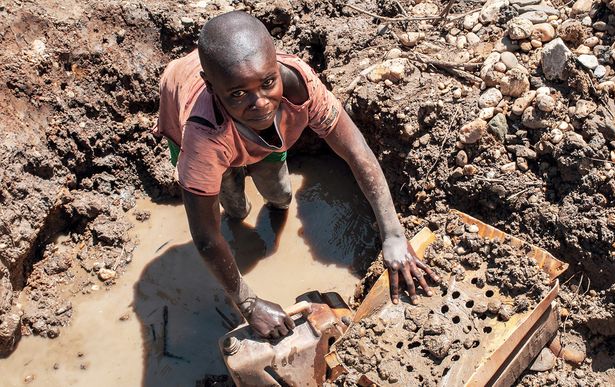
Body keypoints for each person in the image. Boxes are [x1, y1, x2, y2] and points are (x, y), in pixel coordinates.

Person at [155, 11, 439, 339]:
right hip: (198, 117)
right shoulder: (202, 138)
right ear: (212, 87)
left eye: (267, 82)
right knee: (233, 205)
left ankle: (269, 204)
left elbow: (355, 150)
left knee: (280, 194)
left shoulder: (298, 86)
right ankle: (239, 212)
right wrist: (248, 304)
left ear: (276, 64)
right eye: (238, 93)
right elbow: (205, 236)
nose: (260, 102)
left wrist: (392, 235)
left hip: (260, 131)